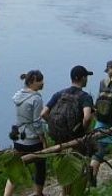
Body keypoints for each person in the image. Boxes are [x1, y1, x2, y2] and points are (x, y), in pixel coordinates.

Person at [42, 65, 94, 194]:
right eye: (86, 77)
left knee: (65, 173)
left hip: (60, 141)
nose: (87, 79)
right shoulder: (85, 97)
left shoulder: (59, 94)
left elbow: (43, 113)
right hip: (76, 141)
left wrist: (54, 125)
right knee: (78, 171)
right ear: (81, 78)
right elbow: (87, 117)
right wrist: (82, 130)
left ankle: (66, 193)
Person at [3, 70, 46, 196]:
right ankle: (38, 193)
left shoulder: (18, 95)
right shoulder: (36, 98)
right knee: (40, 166)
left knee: (16, 168)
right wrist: (43, 139)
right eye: (40, 80)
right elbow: (37, 122)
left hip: (19, 138)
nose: (43, 83)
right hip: (32, 140)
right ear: (32, 81)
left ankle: (7, 194)